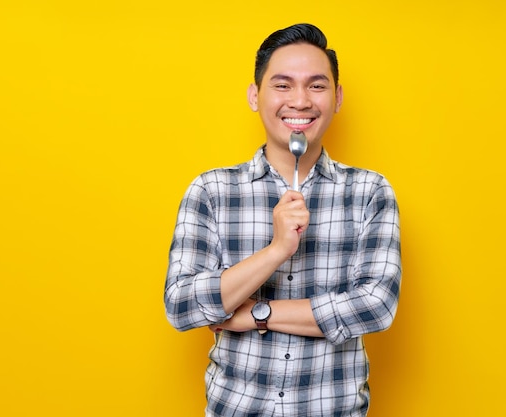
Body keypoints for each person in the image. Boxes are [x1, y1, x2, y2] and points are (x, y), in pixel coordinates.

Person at [164, 23, 402, 416]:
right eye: (283, 85)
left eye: (317, 85)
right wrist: (277, 251)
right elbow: (181, 305)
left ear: (338, 97)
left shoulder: (370, 192)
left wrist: (259, 314)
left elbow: (376, 306)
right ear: (255, 96)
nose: (300, 100)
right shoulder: (212, 190)